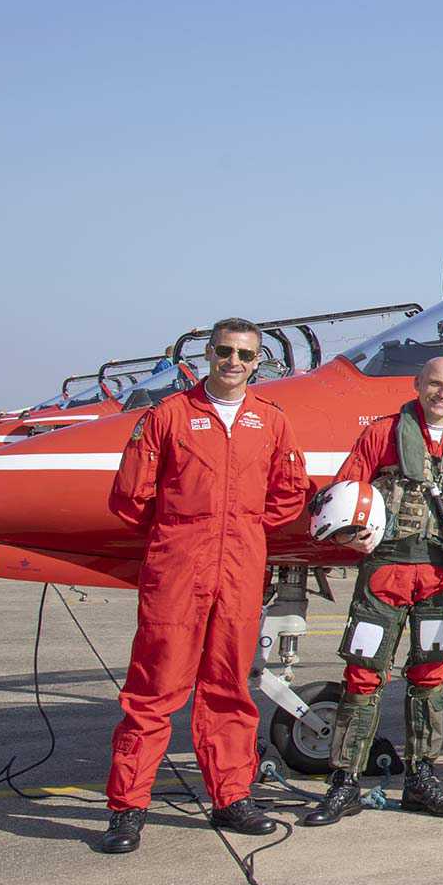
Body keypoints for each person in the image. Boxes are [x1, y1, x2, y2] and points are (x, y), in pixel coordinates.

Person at [96, 319, 309, 854]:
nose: (233, 361)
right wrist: (182, 532)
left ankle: (232, 796)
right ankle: (127, 810)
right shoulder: (168, 416)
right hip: (177, 572)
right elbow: (129, 498)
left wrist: (240, 525)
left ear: (257, 361)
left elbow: (290, 494)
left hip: (239, 572)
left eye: (244, 354)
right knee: (152, 694)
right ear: (208, 354)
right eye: (224, 351)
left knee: (229, 691)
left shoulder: (271, 422)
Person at [304, 357, 443, 828]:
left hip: (442, 578)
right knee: (362, 675)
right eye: (434, 383)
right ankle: (345, 783)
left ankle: (421, 779)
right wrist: (347, 536)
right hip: (386, 573)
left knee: (431, 678)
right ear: (417, 384)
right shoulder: (381, 434)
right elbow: (345, 489)